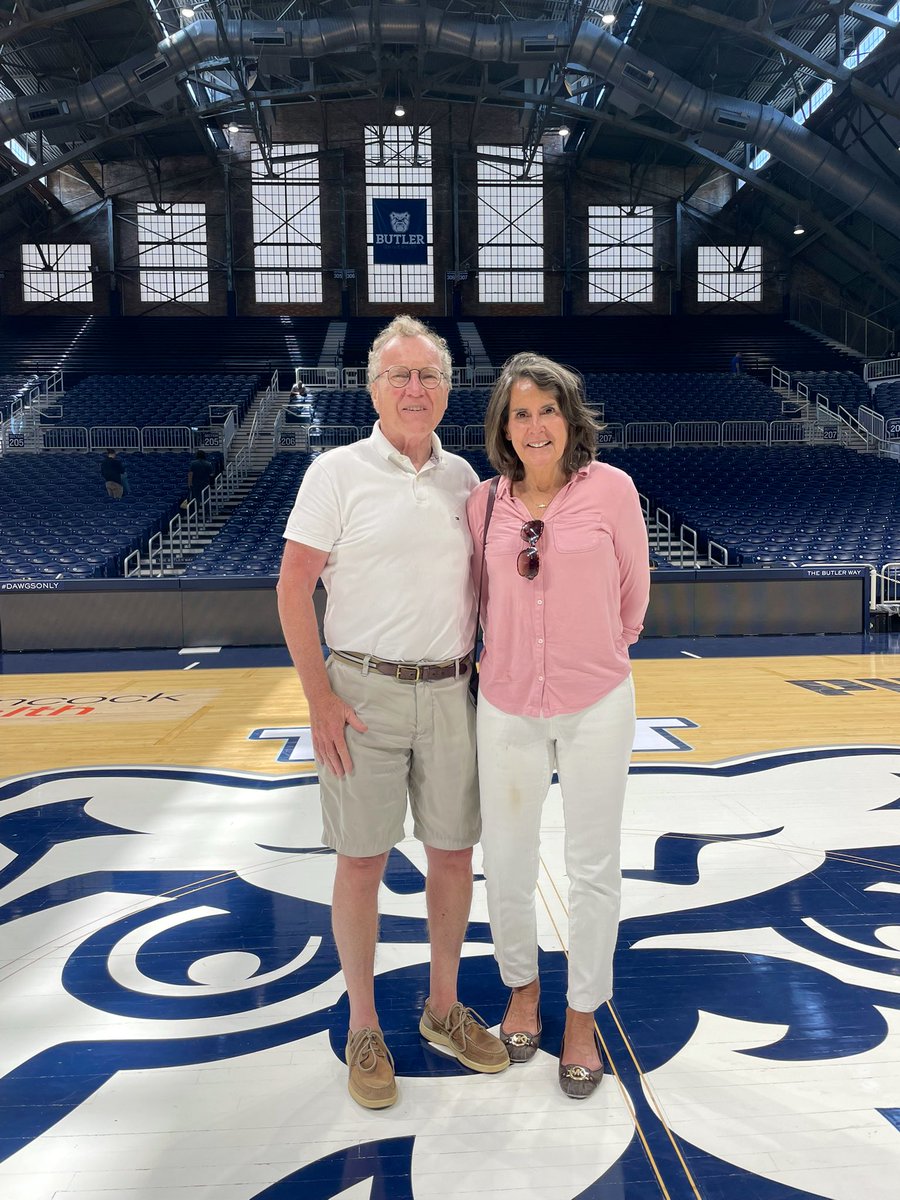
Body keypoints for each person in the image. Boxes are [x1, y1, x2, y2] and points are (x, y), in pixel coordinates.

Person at [277, 314, 509, 1110]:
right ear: (374, 388)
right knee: (362, 862)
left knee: (452, 854)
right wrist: (320, 699)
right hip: (361, 695)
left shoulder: (467, 483)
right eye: (399, 376)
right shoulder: (335, 473)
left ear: (448, 388)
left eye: (429, 377)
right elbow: (292, 589)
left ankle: (443, 1009)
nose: (415, 389)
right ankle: (365, 1025)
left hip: (451, 690)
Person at [466, 352, 650, 1100]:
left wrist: (594, 653)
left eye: (547, 409)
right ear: (503, 428)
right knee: (506, 859)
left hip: (596, 702)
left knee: (593, 865)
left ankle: (581, 1013)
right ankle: (521, 989)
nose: (535, 425)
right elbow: (475, 596)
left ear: (570, 418)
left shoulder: (612, 491)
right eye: (520, 413)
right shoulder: (482, 505)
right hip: (506, 702)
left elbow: (634, 594)